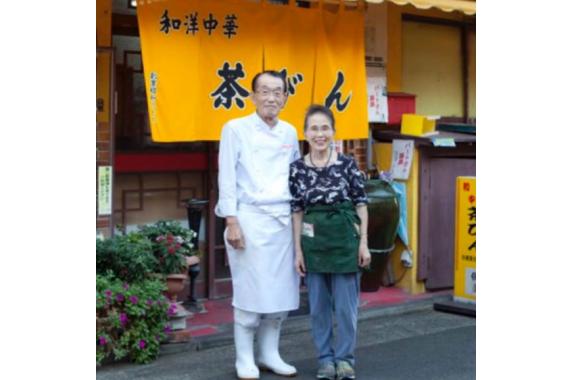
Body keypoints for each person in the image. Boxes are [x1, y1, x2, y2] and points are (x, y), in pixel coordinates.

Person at [215, 70, 300, 380]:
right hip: (248, 218)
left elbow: (295, 176)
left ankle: (270, 354)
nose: (271, 97)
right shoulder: (235, 129)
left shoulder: (290, 132)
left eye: (278, 92)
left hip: (282, 221)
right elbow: (226, 177)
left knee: (281, 293)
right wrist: (231, 221)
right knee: (250, 291)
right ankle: (244, 358)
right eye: (264, 91)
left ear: (286, 98)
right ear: (252, 96)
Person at [289, 105, 371, 380]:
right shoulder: (297, 169)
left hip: (345, 241)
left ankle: (345, 359)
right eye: (314, 128)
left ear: (333, 132)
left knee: (347, 308)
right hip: (313, 244)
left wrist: (364, 244)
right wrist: (298, 250)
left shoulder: (347, 164)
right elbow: (297, 211)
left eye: (325, 128)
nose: (320, 134)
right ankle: (325, 359)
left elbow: (361, 204)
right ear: (305, 133)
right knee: (319, 307)